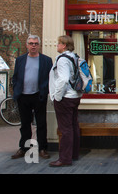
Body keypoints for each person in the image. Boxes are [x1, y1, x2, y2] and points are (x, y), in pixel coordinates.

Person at [11, 35, 53, 160]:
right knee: (25, 123)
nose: (33, 45)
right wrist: (16, 89)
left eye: (35, 43)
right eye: (31, 43)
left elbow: (50, 78)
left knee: (41, 123)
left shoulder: (46, 60)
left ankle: (42, 148)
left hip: (38, 95)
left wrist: (45, 91)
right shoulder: (20, 60)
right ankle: (24, 148)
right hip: (23, 96)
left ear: (39, 45)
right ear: (27, 45)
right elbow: (15, 76)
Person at [48, 35, 82, 167]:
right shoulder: (74, 57)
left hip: (65, 97)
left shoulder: (62, 60)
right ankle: (73, 154)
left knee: (65, 129)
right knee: (73, 126)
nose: (57, 45)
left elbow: (63, 79)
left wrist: (57, 97)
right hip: (74, 96)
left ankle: (65, 159)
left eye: (58, 43)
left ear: (64, 45)